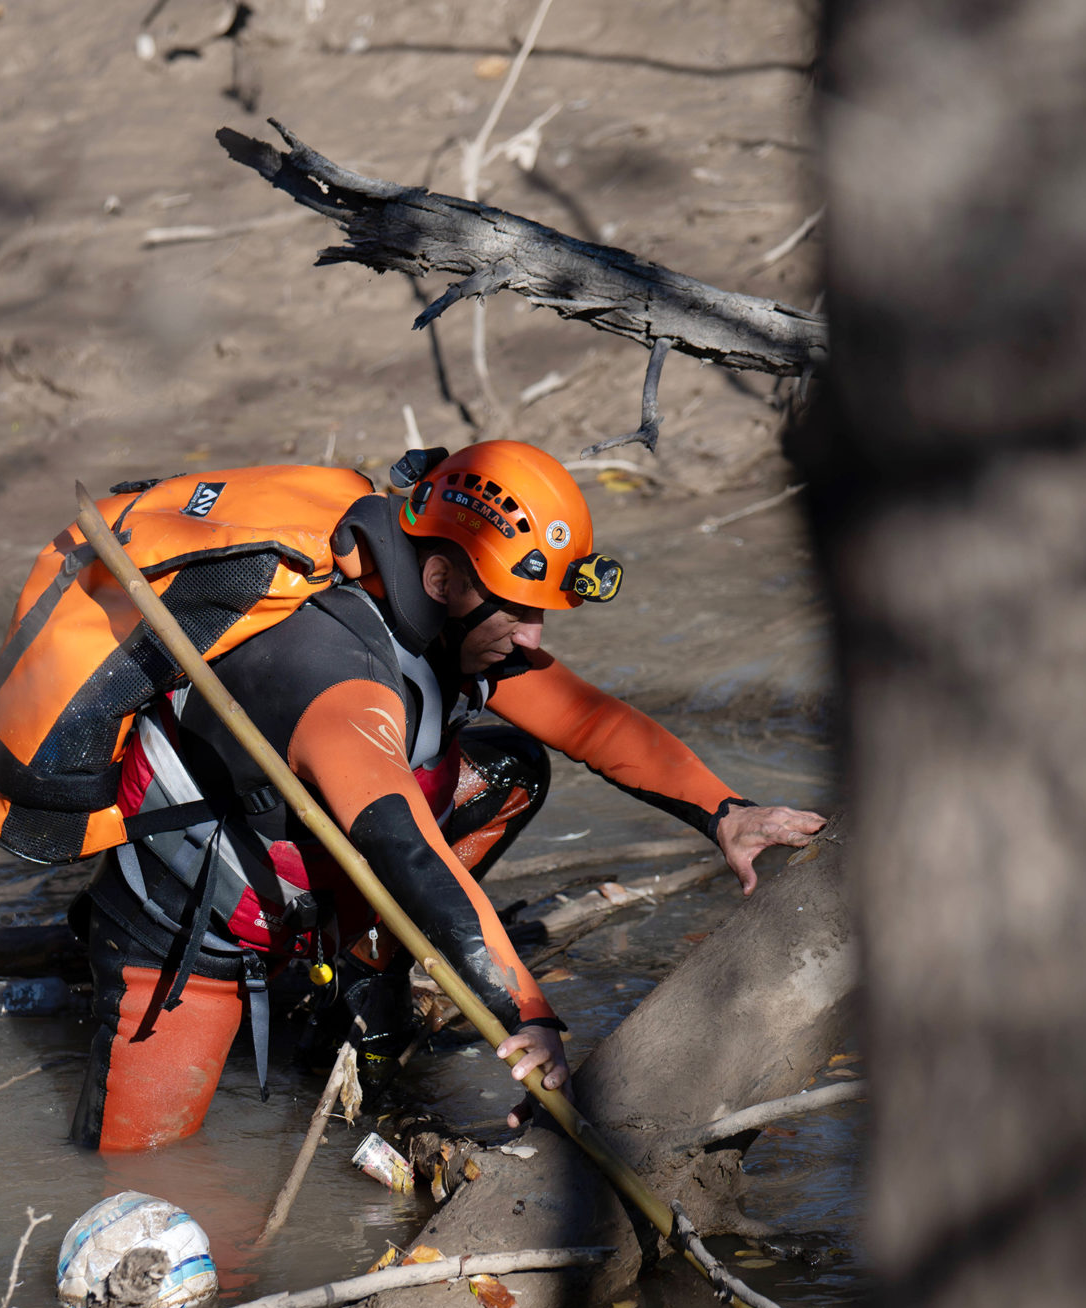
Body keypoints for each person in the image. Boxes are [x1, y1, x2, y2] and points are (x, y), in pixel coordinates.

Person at [52, 439, 826, 1152]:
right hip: (188, 933)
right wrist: (524, 1012)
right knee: (140, 1178)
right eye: (521, 612)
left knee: (509, 773)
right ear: (444, 578)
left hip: (313, 883)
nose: (533, 637)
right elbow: (410, 853)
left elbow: (593, 724)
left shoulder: (438, 621)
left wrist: (729, 813)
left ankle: (362, 982)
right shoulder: (333, 675)